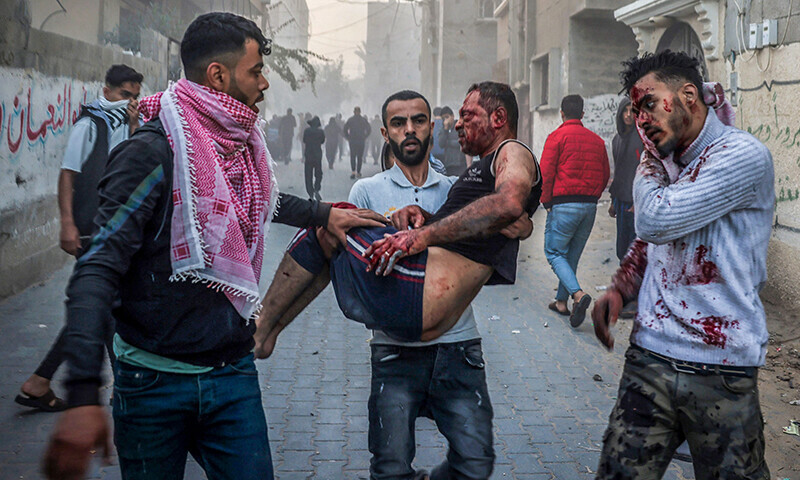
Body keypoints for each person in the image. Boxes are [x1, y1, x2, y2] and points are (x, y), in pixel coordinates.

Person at [42, 13, 386, 480]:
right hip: (152, 385)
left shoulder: (238, 145)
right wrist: (83, 392)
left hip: (231, 373)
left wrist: (324, 214)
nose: (264, 83)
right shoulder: (152, 152)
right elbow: (97, 267)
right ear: (218, 75)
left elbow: (257, 197)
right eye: (255, 71)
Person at [253, 81, 541, 374]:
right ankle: (267, 332)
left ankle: (260, 330)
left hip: (423, 294)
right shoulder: (481, 173)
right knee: (333, 229)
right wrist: (426, 217)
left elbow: (508, 206)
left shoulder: (512, 150)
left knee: (330, 224)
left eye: (468, 115)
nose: (456, 124)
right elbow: (496, 219)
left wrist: (421, 235)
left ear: (499, 119)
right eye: (399, 123)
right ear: (385, 133)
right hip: (426, 303)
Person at [592, 50, 773, 479]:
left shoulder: (741, 155)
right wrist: (621, 288)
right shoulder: (673, 158)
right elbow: (650, 241)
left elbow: (655, 219)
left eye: (649, 104)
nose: (641, 121)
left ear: (690, 95)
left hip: (722, 368)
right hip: (650, 358)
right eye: (635, 111)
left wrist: (650, 161)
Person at [349, 90, 533, 480]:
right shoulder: (365, 191)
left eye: (418, 120)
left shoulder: (455, 188)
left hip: (458, 347)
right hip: (393, 351)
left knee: (475, 462)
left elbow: (510, 219)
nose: (409, 129)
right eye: (398, 123)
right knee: (390, 468)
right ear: (385, 132)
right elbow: (361, 271)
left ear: (431, 127)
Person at [14, 64, 143, 413]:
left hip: (114, 229)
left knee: (98, 306)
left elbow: (129, 168)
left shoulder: (127, 126)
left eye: (134, 96)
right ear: (107, 90)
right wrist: (67, 223)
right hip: (89, 227)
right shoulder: (90, 124)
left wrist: (133, 125)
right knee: (102, 304)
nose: (128, 101)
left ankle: (39, 382)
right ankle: (122, 387)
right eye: (123, 95)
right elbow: (67, 175)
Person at [540, 94, 609, 327]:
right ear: (582, 114)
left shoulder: (556, 137)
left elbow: (546, 173)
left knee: (554, 252)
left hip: (563, 204)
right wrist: (593, 197)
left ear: (561, 113)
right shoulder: (597, 141)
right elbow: (605, 174)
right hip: (589, 205)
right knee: (571, 256)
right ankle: (561, 302)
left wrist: (545, 201)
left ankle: (577, 295)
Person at [608, 97, 644, 319]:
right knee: (622, 250)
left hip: (635, 202)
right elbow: (620, 173)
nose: (629, 115)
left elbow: (642, 174)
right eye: (625, 111)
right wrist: (613, 201)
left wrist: (637, 202)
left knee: (632, 252)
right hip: (621, 200)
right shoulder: (617, 139)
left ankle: (635, 300)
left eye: (633, 111)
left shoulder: (642, 139)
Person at [438, 105, 468, 176]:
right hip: (449, 163)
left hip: (460, 163)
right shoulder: (443, 129)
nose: (446, 120)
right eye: (443, 118)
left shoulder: (460, 127)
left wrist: (448, 143)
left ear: (453, 116)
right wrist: (445, 129)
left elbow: (462, 143)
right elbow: (441, 144)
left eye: (447, 117)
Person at [344, 106, 372, 178]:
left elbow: (345, 129)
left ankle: (353, 171)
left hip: (352, 141)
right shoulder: (363, 120)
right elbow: (369, 129)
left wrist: (348, 137)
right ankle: (358, 172)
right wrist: (365, 136)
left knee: (353, 156)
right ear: (360, 112)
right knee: (360, 157)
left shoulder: (350, 120)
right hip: (361, 141)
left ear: (354, 112)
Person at [303, 115, 325, 200]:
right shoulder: (321, 132)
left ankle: (310, 193)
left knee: (308, 175)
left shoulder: (307, 131)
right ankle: (316, 189)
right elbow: (322, 141)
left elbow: (304, 140)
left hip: (308, 155)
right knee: (318, 173)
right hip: (317, 155)